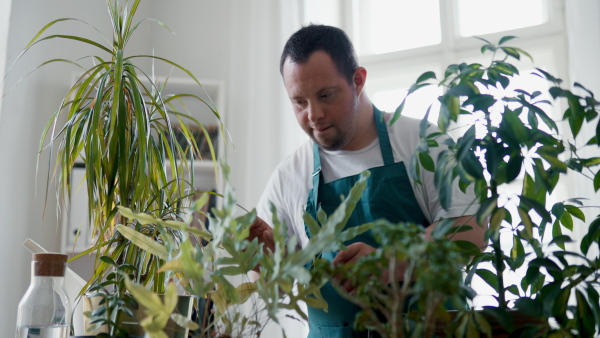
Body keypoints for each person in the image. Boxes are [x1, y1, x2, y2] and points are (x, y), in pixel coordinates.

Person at [249, 24, 485, 338]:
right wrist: (263, 262)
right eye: (299, 102)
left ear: (358, 80)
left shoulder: (422, 141)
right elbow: (275, 289)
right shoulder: (289, 176)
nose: (314, 114)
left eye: (325, 95)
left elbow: (472, 232)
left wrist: (395, 261)